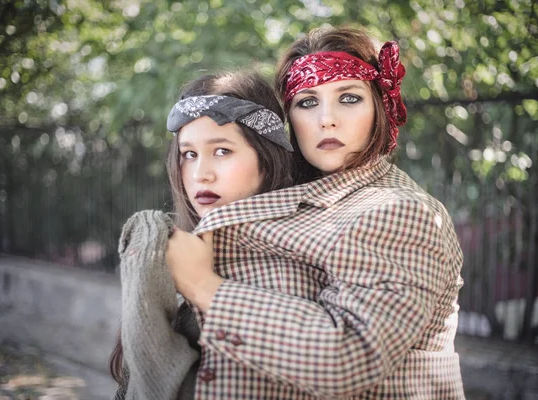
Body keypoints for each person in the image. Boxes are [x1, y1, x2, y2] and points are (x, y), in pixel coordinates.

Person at [165, 26, 465, 399]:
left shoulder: (400, 211)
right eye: (307, 102)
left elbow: (348, 356)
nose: (327, 119)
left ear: (381, 107)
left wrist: (202, 286)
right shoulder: (285, 199)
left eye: (349, 98)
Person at [110, 70, 295, 398]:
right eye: (189, 154)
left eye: (222, 151)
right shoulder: (169, 248)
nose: (200, 175)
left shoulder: (292, 266)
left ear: (266, 160)